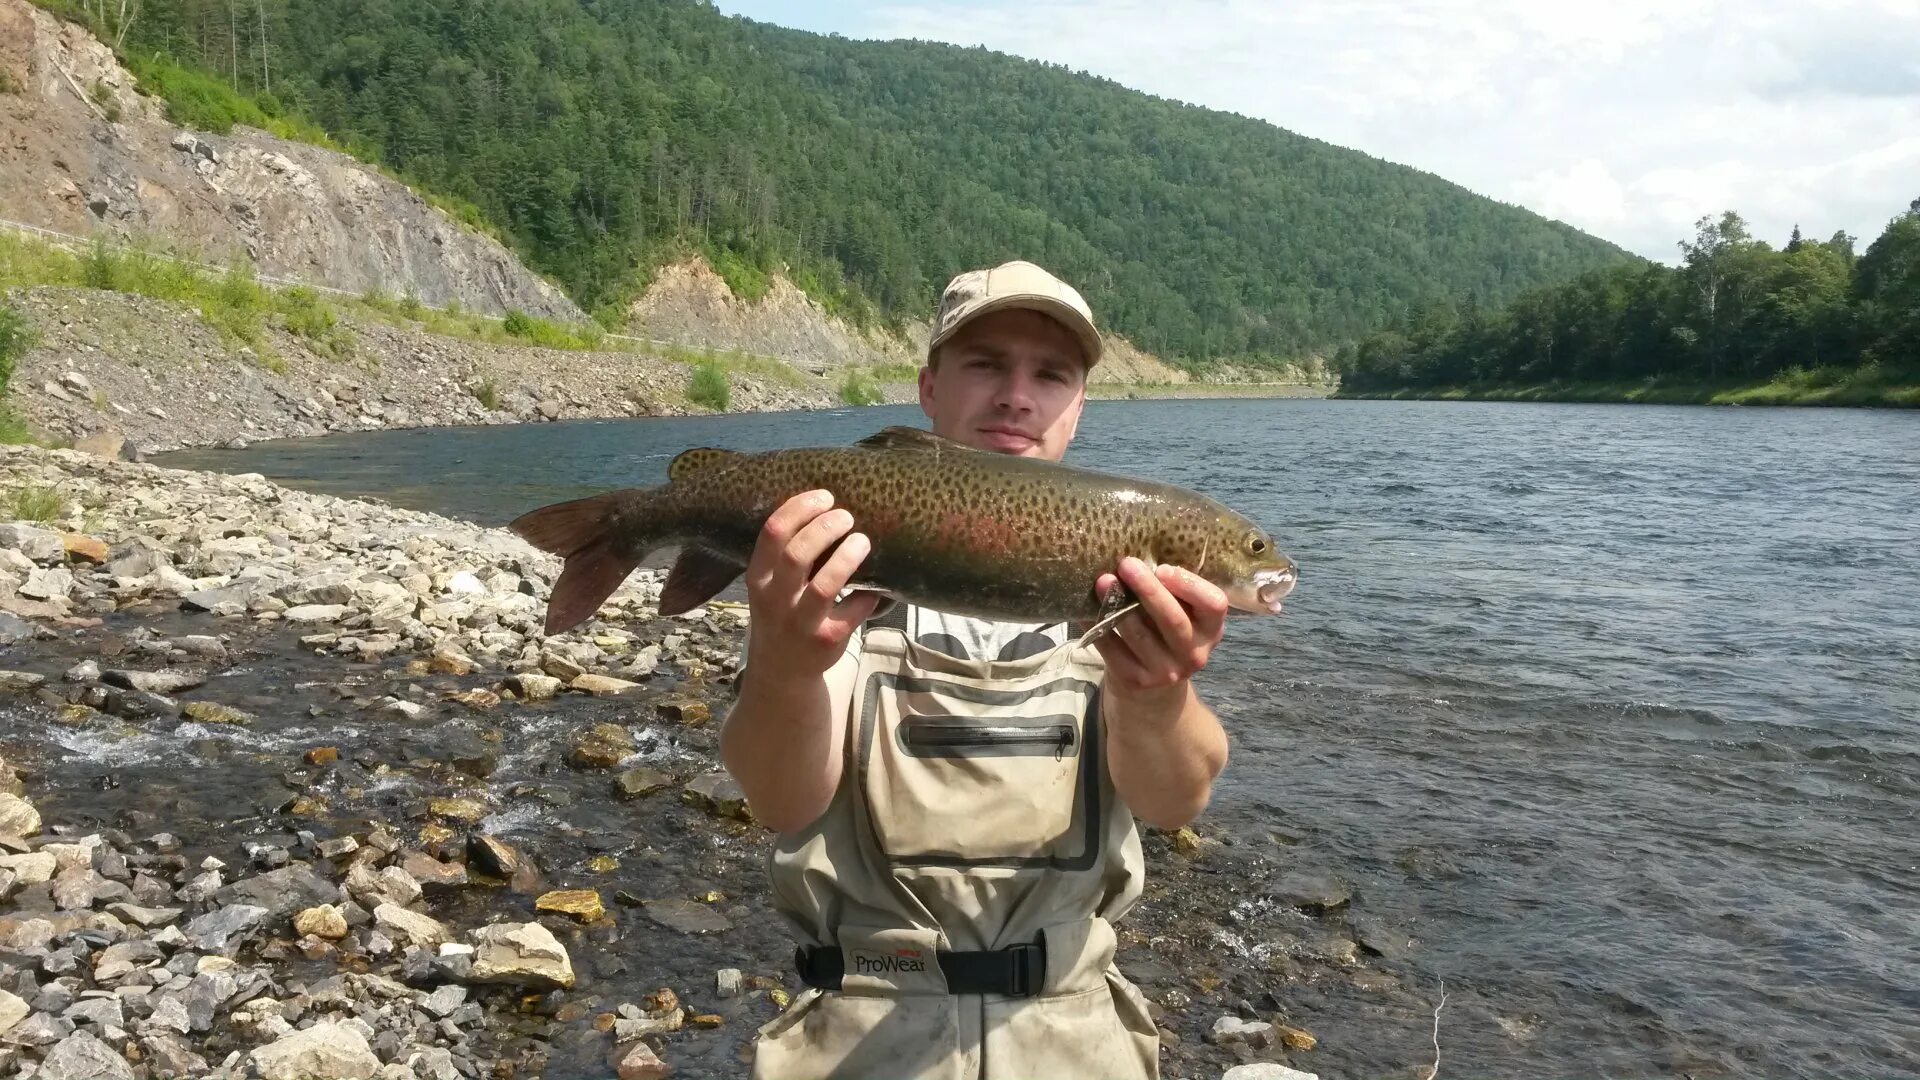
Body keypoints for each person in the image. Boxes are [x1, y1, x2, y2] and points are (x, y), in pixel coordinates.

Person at [720, 260, 1231, 1080]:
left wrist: (1158, 692)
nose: (1016, 396)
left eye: (1050, 374)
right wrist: (782, 666)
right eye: (987, 364)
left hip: (1073, 1040)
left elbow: (1175, 801)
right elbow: (782, 802)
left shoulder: (1120, 588)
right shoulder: (847, 567)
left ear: (1079, 404)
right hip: (863, 1036)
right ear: (929, 387)